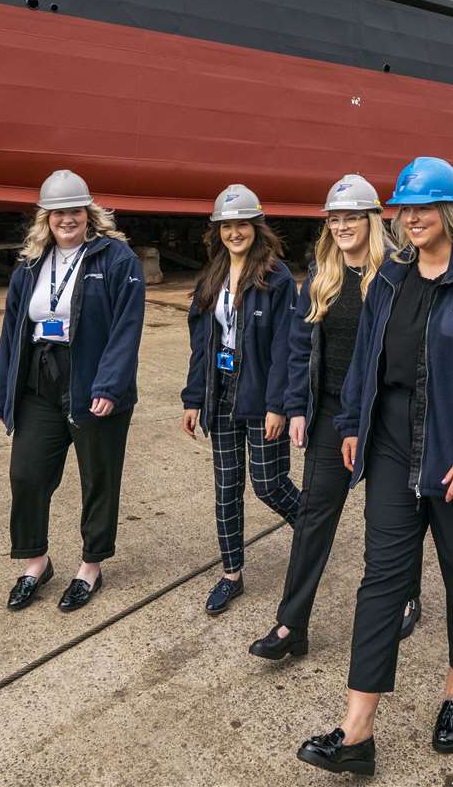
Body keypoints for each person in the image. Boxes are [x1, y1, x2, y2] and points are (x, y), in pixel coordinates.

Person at [298, 157, 453, 776]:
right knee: (382, 581)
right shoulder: (391, 281)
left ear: (451, 212)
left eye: (426, 206)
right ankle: (356, 729)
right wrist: (351, 425)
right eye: (406, 208)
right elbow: (366, 361)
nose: (415, 217)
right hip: (393, 450)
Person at [251, 175, 425, 660]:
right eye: (335, 218)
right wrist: (296, 408)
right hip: (330, 411)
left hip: (385, 413)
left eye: (352, 217)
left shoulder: (399, 271)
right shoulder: (321, 273)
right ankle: (291, 625)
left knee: (389, 516)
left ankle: (405, 594)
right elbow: (299, 345)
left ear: (371, 220)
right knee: (313, 516)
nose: (343, 225)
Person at [0, 169, 145, 613]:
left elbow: (127, 327)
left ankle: (90, 566)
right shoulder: (31, 264)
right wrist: (2, 392)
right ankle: (36, 560)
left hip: (92, 380)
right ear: (47, 218)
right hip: (40, 378)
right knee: (27, 473)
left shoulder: (116, 260)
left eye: (75, 210)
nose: (67, 219)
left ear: (89, 214)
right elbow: (12, 331)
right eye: (58, 212)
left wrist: (110, 385)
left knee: (98, 477)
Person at [181, 184, 302, 614]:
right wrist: (193, 398)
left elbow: (288, 347)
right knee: (226, 486)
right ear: (218, 231)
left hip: (260, 392)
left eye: (242, 225)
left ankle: (312, 533)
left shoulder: (277, 277)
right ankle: (231, 573)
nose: (235, 233)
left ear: (256, 227)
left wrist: (278, 406)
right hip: (221, 390)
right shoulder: (211, 277)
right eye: (227, 226)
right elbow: (202, 343)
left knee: (268, 484)